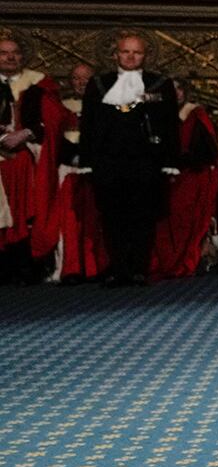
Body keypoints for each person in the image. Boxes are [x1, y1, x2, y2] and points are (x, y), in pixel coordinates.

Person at [77, 34, 178, 287]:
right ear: (116, 54)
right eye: (125, 52)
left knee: (143, 216)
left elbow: (170, 125)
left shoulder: (160, 84)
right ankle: (118, 268)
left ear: (145, 56)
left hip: (146, 161)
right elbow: (88, 124)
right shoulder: (99, 83)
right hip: (108, 161)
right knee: (112, 216)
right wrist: (87, 160)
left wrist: (170, 161)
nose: (131, 57)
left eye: (137, 52)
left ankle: (138, 269)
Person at [33, 62, 102, 280]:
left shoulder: (106, 104)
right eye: (76, 78)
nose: (81, 83)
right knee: (68, 222)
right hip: (68, 170)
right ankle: (70, 267)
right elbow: (54, 139)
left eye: (86, 78)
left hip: (97, 171)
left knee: (96, 221)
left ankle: (95, 267)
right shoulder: (61, 106)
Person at [0, 34, 61, 267]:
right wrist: (3, 138)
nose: (10, 57)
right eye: (4, 53)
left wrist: (24, 134)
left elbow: (53, 121)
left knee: (25, 208)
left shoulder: (39, 84)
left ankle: (23, 266)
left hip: (28, 157)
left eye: (15, 53)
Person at [152, 78, 218, 278]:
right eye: (172, 90)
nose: (177, 94)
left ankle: (188, 257)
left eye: (180, 89)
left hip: (192, 172)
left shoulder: (196, 114)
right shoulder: (158, 114)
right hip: (164, 174)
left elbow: (206, 152)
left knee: (182, 208)